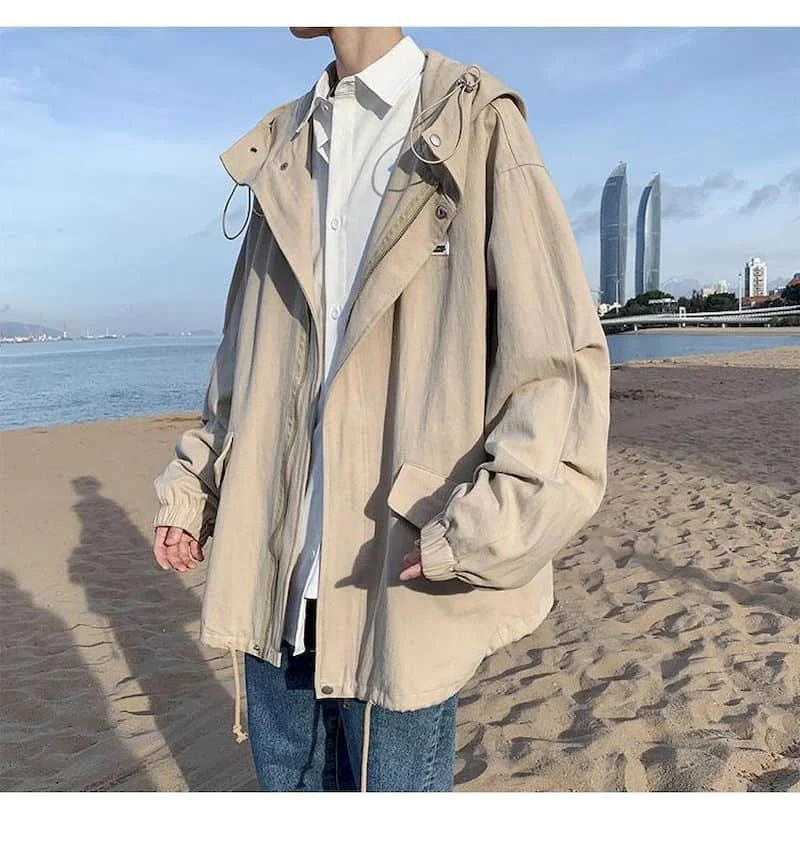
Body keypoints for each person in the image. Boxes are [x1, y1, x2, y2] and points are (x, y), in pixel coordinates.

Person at [152, 26, 611, 792]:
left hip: (396, 580)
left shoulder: (474, 122)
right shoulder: (284, 146)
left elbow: (556, 366)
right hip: (273, 578)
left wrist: (480, 529)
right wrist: (195, 486)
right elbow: (243, 364)